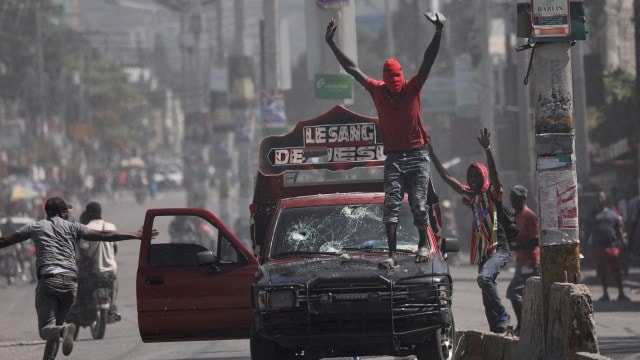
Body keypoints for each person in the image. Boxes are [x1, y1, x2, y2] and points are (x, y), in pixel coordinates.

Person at [325, 11, 445, 269]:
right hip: (393, 156)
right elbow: (351, 68)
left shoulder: (412, 87)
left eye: (398, 81)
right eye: (391, 83)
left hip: (417, 155)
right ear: (385, 80)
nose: (395, 87)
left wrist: (438, 32)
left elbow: (428, 60)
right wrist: (331, 44)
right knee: (390, 205)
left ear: (402, 78)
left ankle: (423, 243)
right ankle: (391, 255)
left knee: (418, 204)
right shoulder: (377, 90)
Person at [0, 197, 157, 359]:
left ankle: (63, 330)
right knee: (56, 327)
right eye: (66, 210)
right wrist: (135, 235)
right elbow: (104, 234)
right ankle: (61, 333)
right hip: (70, 284)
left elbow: (5, 241)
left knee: (47, 329)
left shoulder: (35, 227)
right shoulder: (72, 227)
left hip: (49, 282)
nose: (68, 213)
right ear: (61, 213)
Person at [428, 128, 511, 333]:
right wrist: (431, 155)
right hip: (484, 253)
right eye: (470, 176)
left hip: (499, 249)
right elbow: (447, 178)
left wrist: (488, 150)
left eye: (476, 175)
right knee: (485, 293)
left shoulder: (493, 193)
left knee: (484, 279)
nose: (473, 179)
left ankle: (503, 313)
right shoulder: (471, 197)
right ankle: (497, 330)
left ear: (483, 177)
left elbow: (495, 174)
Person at [505, 185, 540, 336]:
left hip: (530, 262)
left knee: (514, 292)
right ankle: (528, 325)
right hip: (521, 261)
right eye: (512, 197)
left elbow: (536, 240)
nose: (513, 200)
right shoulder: (515, 215)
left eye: (516, 197)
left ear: (523, 198)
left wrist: (516, 246)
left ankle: (523, 324)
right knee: (523, 294)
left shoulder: (530, 216)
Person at [584, 191, 630, 302]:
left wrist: (623, 242)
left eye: (601, 198)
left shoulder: (612, 214)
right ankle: (605, 294)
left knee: (616, 270)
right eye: (598, 198)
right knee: (602, 271)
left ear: (605, 199)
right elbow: (588, 231)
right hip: (598, 247)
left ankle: (621, 293)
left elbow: (618, 230)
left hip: (612, 246)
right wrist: (585, 245)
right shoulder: (592, 215)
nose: (599, 200)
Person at [78, 201, 121, 318]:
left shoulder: (86, 228)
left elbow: (84, 252)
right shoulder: (111, 226)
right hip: (110, 269)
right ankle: (113, 304)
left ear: (88, 213)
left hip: (94, 270)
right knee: (114, 282)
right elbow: (115, 249)